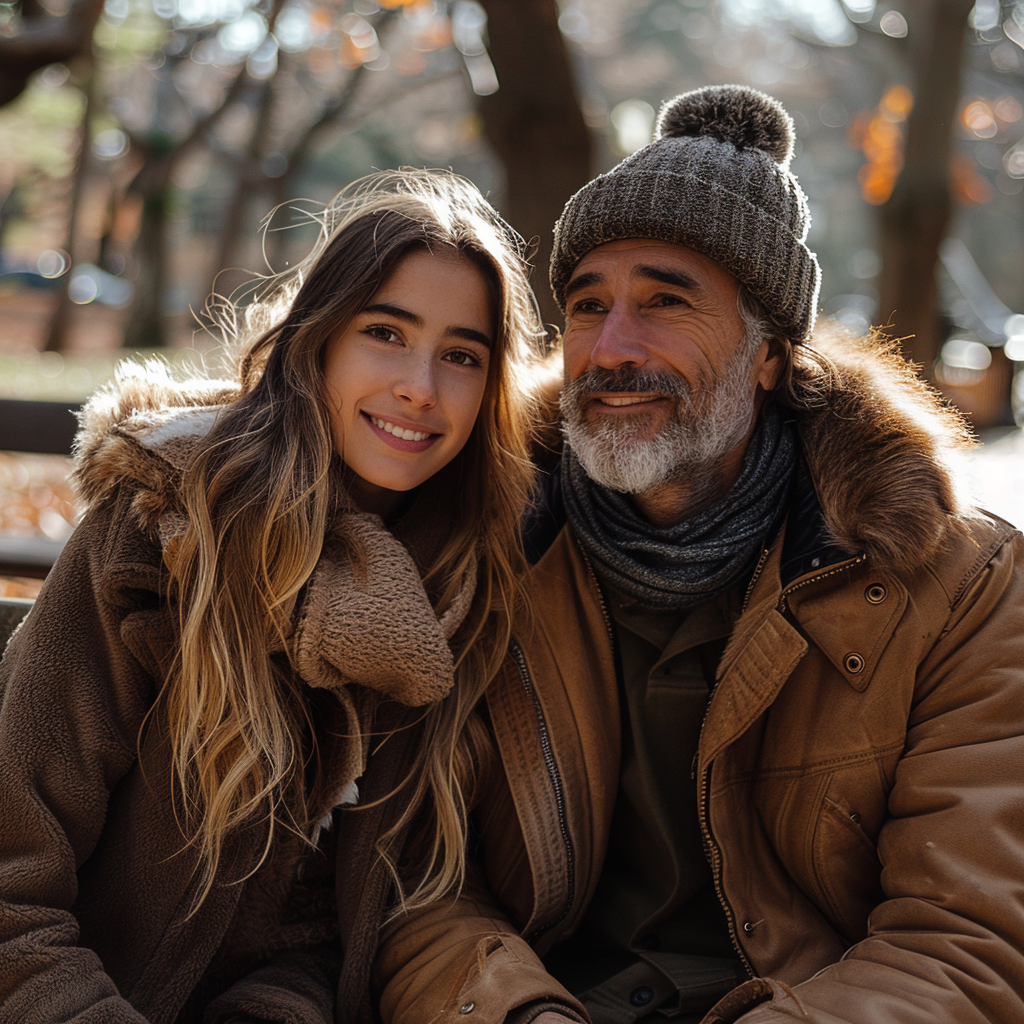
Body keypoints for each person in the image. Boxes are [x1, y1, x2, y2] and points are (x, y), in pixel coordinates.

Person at [371, 86, 1024, 1024]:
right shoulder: (478, 545)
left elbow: (967, 940)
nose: (612, 348)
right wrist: (520, 1013)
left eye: (667, 302)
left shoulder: (956, 586)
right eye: (589, 304)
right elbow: (412, 877)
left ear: (769, 352)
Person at [0, 168, 548, 1023]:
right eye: (386, 333)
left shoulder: (456, 594)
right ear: (316, 341)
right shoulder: (162, 530)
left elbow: (332, 927)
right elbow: (11, 879)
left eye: (462, 355)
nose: (421, 387)